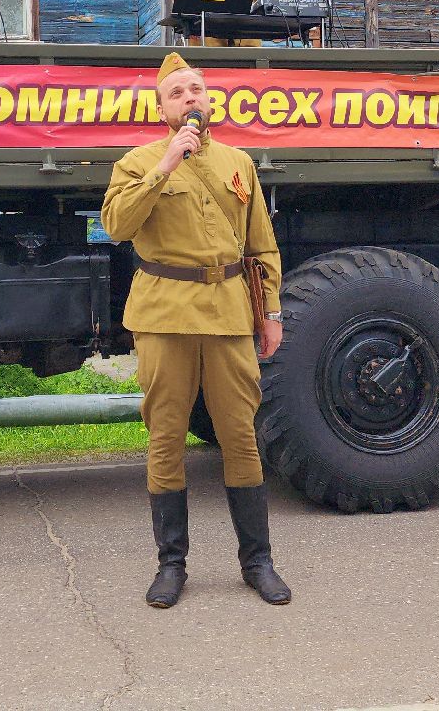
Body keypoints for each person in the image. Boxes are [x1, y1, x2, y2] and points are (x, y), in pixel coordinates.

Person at [100, 51, 290, 607]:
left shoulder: (238, 163)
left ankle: (258, 562)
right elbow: (116, 225)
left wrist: (270, 313)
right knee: (166, 436)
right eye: (177, 92)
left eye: (196, 89)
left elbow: (261, 244)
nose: (189, 98)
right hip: (164, 313)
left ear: (210, 100)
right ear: (162, 108)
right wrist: (165, 168)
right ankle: (171, 565)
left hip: (230, 311)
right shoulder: (138, 162)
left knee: (240, 435)